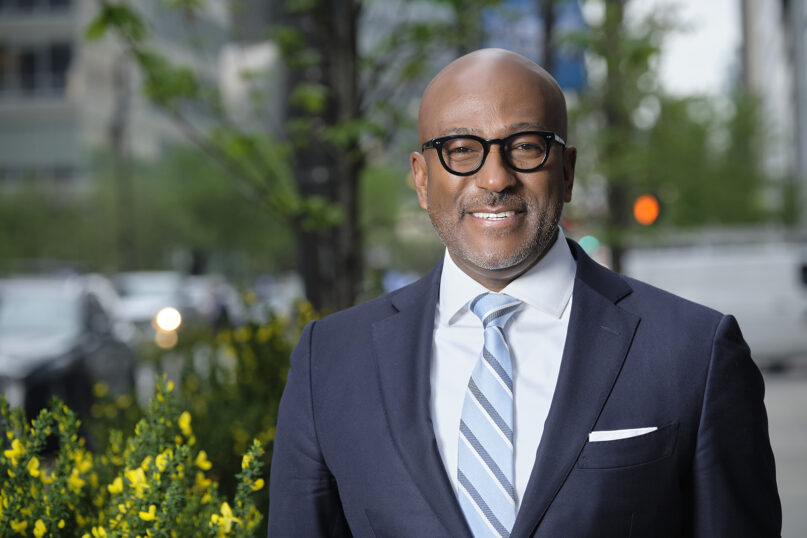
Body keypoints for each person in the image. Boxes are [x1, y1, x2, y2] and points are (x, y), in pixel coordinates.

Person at [267, 48, 781, 537]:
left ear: (567, 170)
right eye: (462, 149)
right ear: (422, 180)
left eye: (526, 146)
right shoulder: (328, 362)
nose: (495, 177)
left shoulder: (694, 353)